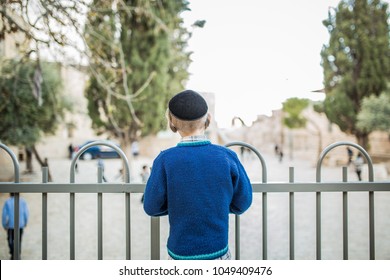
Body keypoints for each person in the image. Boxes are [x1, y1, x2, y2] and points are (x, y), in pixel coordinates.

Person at [143, 90, 252, 260]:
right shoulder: (227, 157)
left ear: (172, 122)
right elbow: (243, 203)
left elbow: (151, 206)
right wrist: (217, 204)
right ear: (208, 119)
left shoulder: (165, 160)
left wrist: (179, 205)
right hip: (218, 252)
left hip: (179, 255)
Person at [2, 193, 29, 260]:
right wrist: (25, 222)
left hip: (11, 225)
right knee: (19, 240)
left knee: (10, 239)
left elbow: (4, 215)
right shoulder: (22, 201)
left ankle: (13, 253)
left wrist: (4, 224)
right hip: (20, 225)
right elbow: (26, 213)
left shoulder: (7, 202)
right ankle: (18, 254)